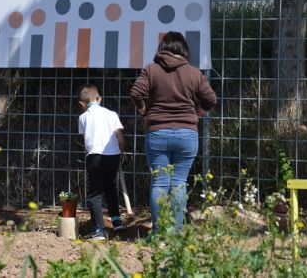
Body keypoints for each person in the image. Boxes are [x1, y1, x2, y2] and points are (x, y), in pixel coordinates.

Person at [130, 31, 217, 234]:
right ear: (184, 50)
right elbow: (211, 99)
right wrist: (197, 114)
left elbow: (136, 93)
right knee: (179, 183)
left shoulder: (151, 70)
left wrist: (144, 112)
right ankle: (176, 233)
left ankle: (159, 233)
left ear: (163, 48)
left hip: (157, 133)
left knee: (160, 183)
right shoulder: (194, 73)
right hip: (187, 134)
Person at [77, 83, 125, 241]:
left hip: (95, 156)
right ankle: (116, 221)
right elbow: (120, 137)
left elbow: (86, 139)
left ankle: (99, 229)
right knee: (111, 187)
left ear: (82, 103)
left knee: (95, 193)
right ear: (100, 98)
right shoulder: (112, 114)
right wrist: (120, 152)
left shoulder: (83, 117)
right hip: (113, 155)